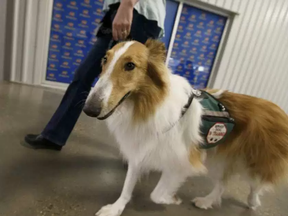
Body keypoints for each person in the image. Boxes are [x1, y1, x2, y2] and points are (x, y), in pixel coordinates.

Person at [24, 0, 166, 151]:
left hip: (139, 13)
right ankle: (54, 136)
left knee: (137, 91)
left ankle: (139, 152)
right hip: (117, 11)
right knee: (84, 73)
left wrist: (127, 5)